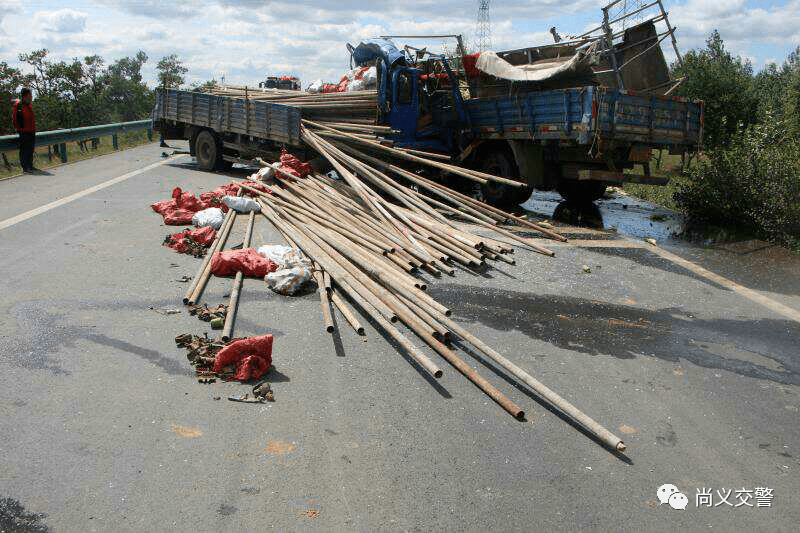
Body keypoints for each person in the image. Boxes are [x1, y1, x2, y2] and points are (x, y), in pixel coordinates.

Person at [12, 88, 37, 173]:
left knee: (31, 149)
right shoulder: (19, 105)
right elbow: (15, 119)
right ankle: (25, 167)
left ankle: (30, 166)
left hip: (31, 130)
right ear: (24, 96)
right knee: (25, 150)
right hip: (23, 131)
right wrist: (19, 129)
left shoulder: (28, 105)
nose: (31, 97)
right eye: (29, 96)